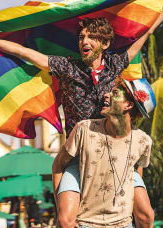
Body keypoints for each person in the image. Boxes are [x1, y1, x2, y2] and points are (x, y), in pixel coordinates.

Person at [0, 0, 163, 226]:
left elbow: (143, 37)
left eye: (91, 37)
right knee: (66, 219)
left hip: (115, 152)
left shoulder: (116, 64)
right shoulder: (67, 67)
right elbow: (25, 52)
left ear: (104, 43)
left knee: (146, 215)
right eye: (81, 37)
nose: (84, 41)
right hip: (79, 154)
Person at [55, 78, 154, 227]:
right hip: (87, 221)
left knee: (147, 216)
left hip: (122, 222)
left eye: (114, 93)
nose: (105, 95)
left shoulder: (143, 141)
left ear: (128, 105)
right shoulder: (84, 129)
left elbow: (136, 167)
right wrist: (59, 207)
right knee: (65, 221)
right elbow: (58, 165)